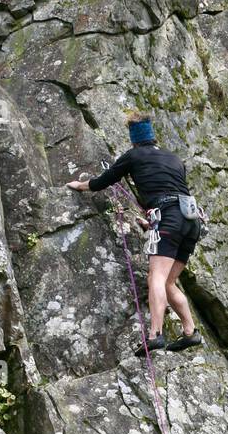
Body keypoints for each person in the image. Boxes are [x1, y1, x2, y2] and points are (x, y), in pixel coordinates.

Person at [67, 113, 204, 356]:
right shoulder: (174, 159)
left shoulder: (134, 156)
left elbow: (104, 181)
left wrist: (80, 185)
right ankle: (190, 332)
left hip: (169, 218)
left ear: (134, 139)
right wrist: (153, 225)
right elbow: (171, 190)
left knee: (156, 277)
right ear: (152, 136)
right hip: (191, 220)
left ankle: (155, 335)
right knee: (169, 282)